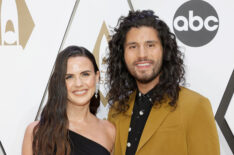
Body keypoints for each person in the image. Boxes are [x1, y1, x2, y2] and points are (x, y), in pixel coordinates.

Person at [107, 10, 220, 155]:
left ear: (164, 50)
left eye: (150, 45)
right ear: (122, 55)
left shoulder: (195, 106)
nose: (142, 54)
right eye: (133, 46)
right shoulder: (117, 110)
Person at [22, 46, 115, 155]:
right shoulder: (37, 131)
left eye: (85, 74)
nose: (78, 84)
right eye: (69, 77)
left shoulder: (109, 130)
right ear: (60, 82)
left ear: (97, 76)